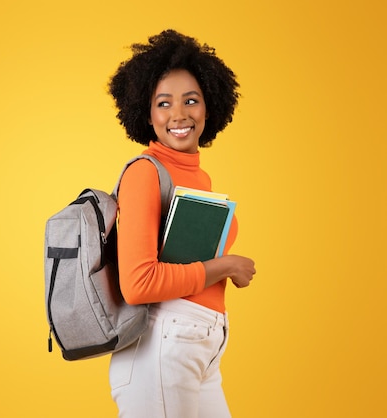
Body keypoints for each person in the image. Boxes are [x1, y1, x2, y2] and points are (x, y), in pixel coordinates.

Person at [107, 29, 257, 417]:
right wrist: (224, 266)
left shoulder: (197, 178)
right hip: (161, 346)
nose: (179, 115)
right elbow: (138, 285)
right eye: (163, 103)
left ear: (210, 106)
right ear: (146, 112)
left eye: (191, 100)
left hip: (199, 348)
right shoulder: (145, 173)